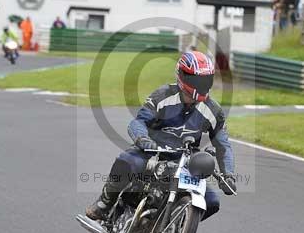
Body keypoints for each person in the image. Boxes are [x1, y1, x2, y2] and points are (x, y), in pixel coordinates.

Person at [85, 50, 236, 222]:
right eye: (196, 79)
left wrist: (228, 175)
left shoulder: (214, 111)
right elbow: (138, 122)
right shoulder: (163, 95)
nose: (201, 84)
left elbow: (223, 145)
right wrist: (143, 139)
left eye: (205, 80)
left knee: (211, 202)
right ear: (182, 76)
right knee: (127, 160)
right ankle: (105, 203)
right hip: (152, 151)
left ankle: (171, 229)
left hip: (184, 161)